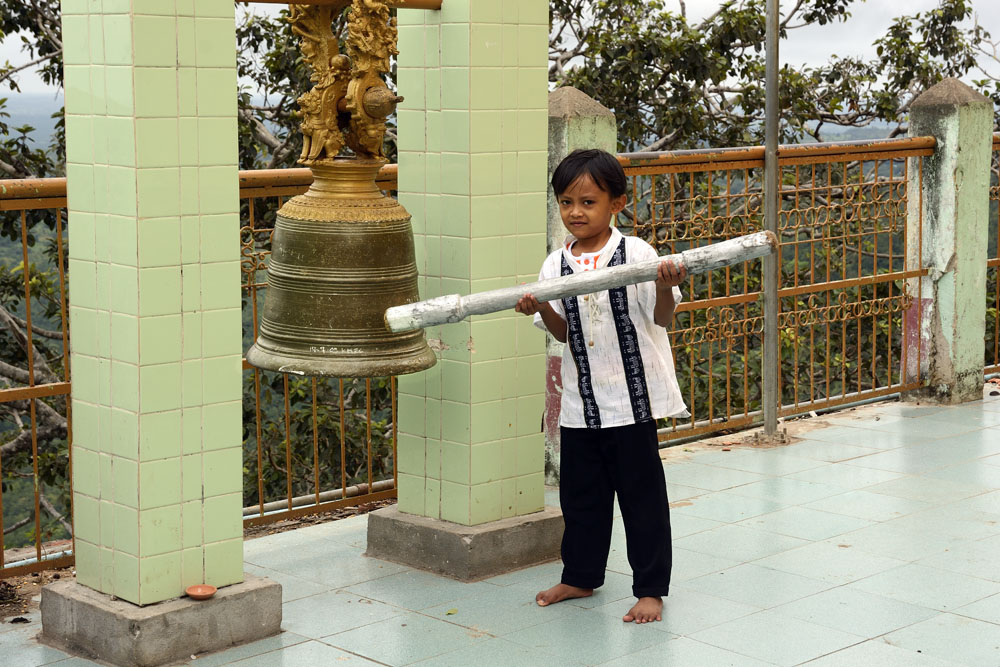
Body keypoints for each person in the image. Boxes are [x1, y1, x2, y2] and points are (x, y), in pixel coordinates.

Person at [515, 148, 688, 624]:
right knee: (581, 499)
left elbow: (662, 318)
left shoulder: (638, 255)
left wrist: (665, 285)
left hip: (632, 403)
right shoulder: (555, 264)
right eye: (566, 202)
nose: (576, 212)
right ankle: (580, 576)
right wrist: (541, 306)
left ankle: (650, 589)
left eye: (588, 202)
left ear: (617, 203)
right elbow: (562, 334)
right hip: (581, 403)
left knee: (642, 501)